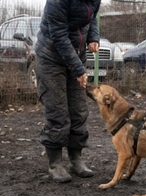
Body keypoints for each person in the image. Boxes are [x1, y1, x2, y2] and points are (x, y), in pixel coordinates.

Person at [35, 0, 101, 183]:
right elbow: (58, 35)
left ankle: (76, 159)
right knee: (57, 110)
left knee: (79, 110)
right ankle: (55, 164)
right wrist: (78, 70)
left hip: (76, 57)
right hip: (50, 58)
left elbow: (92, 18)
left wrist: (93, 37)